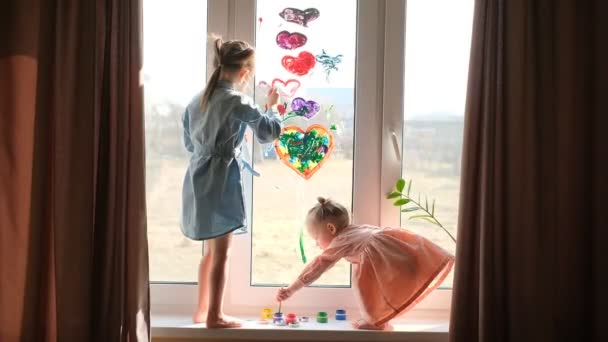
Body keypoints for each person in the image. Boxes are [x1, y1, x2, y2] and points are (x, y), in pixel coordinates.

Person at [181, 37, 281, 328]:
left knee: (210, 252)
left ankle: (202, 311)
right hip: (222, 178)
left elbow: (189, 143)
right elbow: (268, 132)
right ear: (244, 72)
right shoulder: (236, 101)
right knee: (222, 253)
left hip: (198, 177)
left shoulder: (196, 100)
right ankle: (215, 315)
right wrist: (272, 106)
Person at [276, 197, 455, 330]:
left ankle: (374, 321)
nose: (316, 243)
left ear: (331, 229)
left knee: (363, 282)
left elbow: (317, 266)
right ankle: (381, 319)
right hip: (400, 253)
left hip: (384, 258)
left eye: (316, 237)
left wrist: (292, 289)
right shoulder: (355, 230)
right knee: (376, 283)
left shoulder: (340, 240)